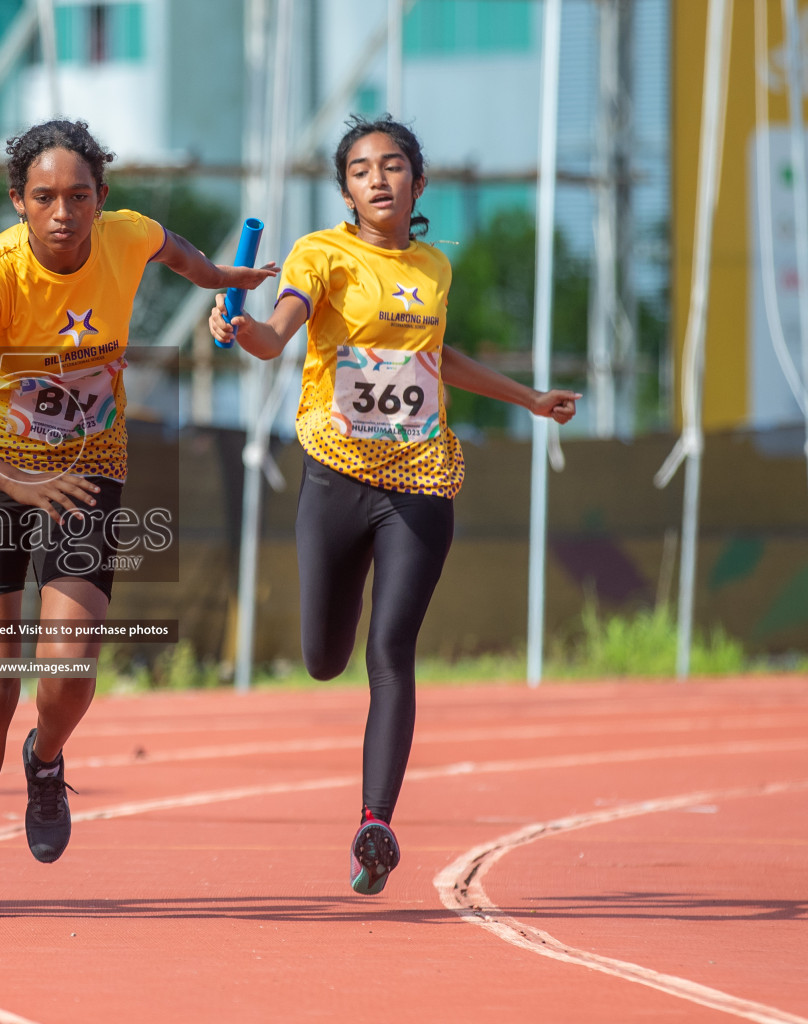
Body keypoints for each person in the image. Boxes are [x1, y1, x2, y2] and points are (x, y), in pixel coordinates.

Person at [0, 118, 277, 919]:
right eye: (44, 197)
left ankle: (46, 759)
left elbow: (175, 251)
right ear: (19, 203)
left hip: (87, 469)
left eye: (79, 196)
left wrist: (219, 277)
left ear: (102, 201)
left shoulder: (128, 235)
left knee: (67, 673)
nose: (63, 212)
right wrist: (15, 481)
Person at [208, 115, 580, 896]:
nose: (378, 179)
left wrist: (530, 399)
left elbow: (436, 358)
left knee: (392, 652)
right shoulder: (321, 254)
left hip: (421, 480)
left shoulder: (434, 269)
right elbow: (278, 338)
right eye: (360, 169)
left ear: (418, 180)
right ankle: (361, 772)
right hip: (336, 476)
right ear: (345, 188)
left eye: (393, 165)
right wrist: (241, 327)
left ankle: (376, 823)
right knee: (323, 658)